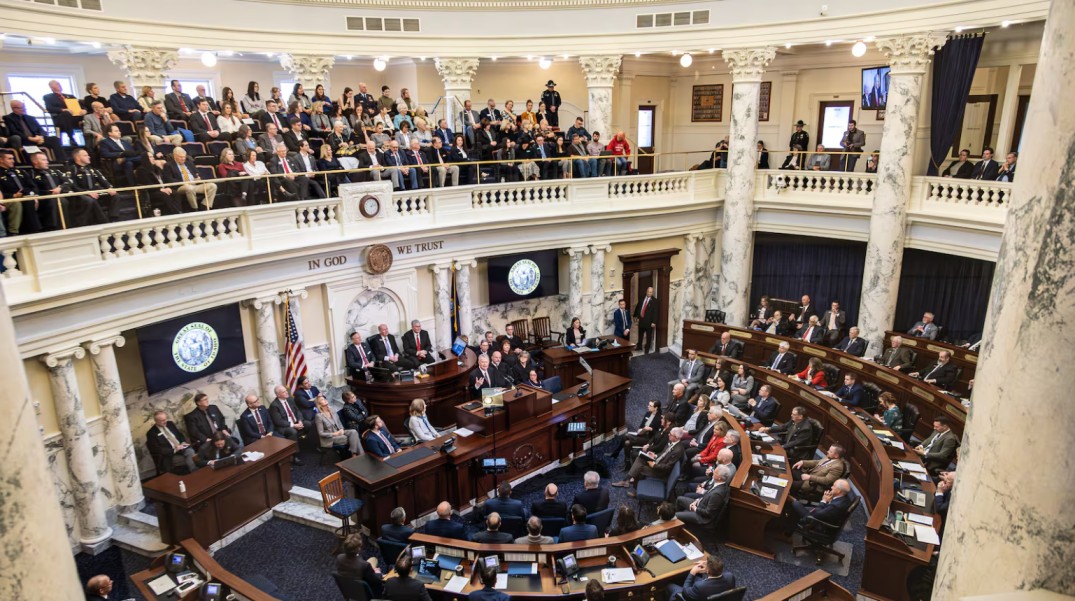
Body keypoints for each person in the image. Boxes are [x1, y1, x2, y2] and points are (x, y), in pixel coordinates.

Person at [612, 427, 687, 497]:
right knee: (640, 458)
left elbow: (668, 467)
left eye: (670, 434)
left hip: (661, 472)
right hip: (658, 462)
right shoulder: (671, 441)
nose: (668, 435)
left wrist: (654, 465)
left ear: (676, 437)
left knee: (639, 468)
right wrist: (655, 456)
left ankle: (634, 489)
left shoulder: (678, 450)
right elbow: (663, 453)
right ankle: (627, 480)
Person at [674, 466, 732, 532]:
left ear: (719, 477)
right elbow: (706, 495)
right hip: (700, 504)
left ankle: (677, 529)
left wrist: (695, 508)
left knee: (676, 515)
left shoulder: (717, 494)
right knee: (679, 499)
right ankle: (681, 524)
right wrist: (697, 501)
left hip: (702, 517)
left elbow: (708, 513)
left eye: (715, 472)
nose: (713, 472)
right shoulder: (718, 483)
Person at [787, 479, 855, 531]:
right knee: (796, 504)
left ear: (839, 491)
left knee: (794, 503)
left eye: (834, 486)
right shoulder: (844, 498)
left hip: (818, 523)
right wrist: (827, 501)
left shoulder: (835, 506)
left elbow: (816, 515)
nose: (831, 487)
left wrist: (824, 500)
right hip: (823, 516)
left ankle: (787, 533)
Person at [666, 554, 736, 601]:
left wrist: (692, 572)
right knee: (696, 579)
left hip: (699, 595)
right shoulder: (730, 576)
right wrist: (707, 565)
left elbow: (685, 593)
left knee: (670, 586)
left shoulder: (700, 586)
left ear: (707, 571)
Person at [269, 384, 312, 450]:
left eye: (286, 390)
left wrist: (300, 420)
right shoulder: (274, 405)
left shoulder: (290, 399)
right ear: (278, 395)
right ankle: (294, 453)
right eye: (284, 392)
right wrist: (293, 425)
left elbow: (298, 411)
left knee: (308, 424)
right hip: (285, 426)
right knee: (292, 431)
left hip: (296, 421)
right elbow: (278, 421)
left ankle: (307, 445)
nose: (287, 392)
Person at [633, 286, 659, 354]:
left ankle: (647, 349)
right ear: (646, 291)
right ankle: (639, 346)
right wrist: (636, 316)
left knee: (648, 336)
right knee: (640, 335)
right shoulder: (642, 298)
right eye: (648, 292)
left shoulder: (654, 301)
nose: (649, 293)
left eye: (650, 292)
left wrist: (654, 322)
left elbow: (656, 312)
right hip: (641, 320)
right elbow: (638, 307)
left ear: (652, 292)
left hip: (649, 322)